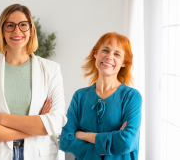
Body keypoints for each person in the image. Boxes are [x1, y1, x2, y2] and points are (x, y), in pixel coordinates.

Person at [0, 4, 67, 160]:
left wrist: (0, 119)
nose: (16, 31)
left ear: (31, 30)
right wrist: (37, 127)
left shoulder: (51, 69)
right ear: (2, 31)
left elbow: (55, 122)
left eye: (23, 25)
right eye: (10, 25)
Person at [60, 32, 142, 160]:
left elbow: (126, 143)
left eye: (117, 54)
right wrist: (110, 143)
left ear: (124, 62)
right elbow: (65, 140)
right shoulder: (80, 96)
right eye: (105, 50)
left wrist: (84, 135)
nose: (109, 57)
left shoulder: (132, 97)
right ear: (95, 54)